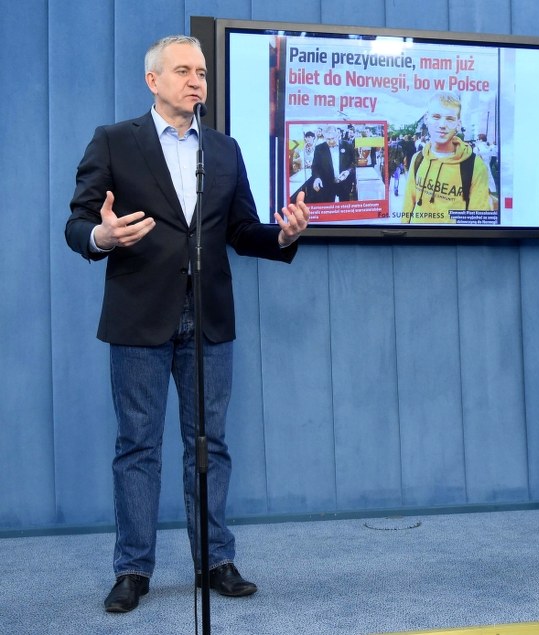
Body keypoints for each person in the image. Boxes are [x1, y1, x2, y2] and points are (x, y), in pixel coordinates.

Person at [65, 35, 310, 613]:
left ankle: (214, 560)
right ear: (154, 81)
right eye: (183, 70)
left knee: (209, 444)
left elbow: (244, 230)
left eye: (201, 71)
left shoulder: (223, 150)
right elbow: (78, 224)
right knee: (137, 447)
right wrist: (102, 235)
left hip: (208, 318)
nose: (196, 79)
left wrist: (283, 235)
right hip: (138, 316)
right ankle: (132, 569)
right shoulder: (114, 141)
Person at [401, 92, 492, 223]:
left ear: (458, 124)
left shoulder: (475, 165)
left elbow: (478, 220)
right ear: (427, 119)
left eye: (449, 118)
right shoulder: (418, 158)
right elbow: (408, 203)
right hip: (417, 238)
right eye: (436, 117)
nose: (442, 124)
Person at [308, 124, 356, 203]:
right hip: (327, 185)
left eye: (333, 138)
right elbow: (315, 167)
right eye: (328, 139)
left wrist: (348, 171)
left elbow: (354, 163)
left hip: (345, 184)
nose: (330, 141)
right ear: (324, 137)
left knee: (345, 207)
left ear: (337, 135)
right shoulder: (319, 148)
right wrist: (317, 178)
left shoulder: (347, 145)